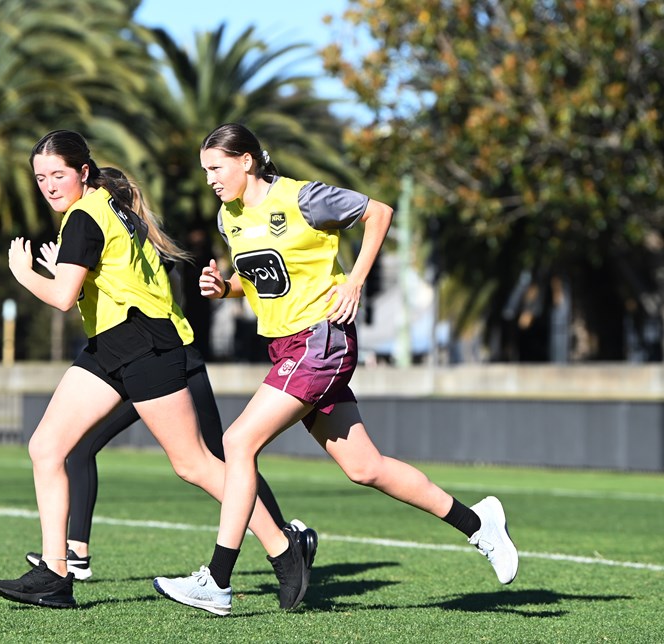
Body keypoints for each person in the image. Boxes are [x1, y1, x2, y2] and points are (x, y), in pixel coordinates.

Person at [153, 123, 519, 616]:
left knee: (238, 443)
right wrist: (227, 288)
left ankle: (216, 580)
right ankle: (479, 524)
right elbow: (262, 277)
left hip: (320, 340)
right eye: (206, 172)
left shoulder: (304, 199)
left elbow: (379, 213)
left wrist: (356, 284)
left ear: (246, 161)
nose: (210, 180)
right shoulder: (228, 218)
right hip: (287, 348)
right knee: (366, 468)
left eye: (216, 168)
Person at [0, 129, 317, 611]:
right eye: (41, 178)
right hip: (111, 344)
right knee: (47, 447)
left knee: (194, 464)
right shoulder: (105, 203)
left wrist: (25, 274)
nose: (49, 185)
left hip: (143, 343)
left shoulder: (85, 215)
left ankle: (284, 548)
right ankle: (56, 574)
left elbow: (62, 297)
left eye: (58, 174)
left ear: (82, 172)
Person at [23, 241, 316, 584]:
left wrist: (68, 272)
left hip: (173, 363)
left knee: (216, 460)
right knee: (80, 448)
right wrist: (71, 269)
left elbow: (121, 294)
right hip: (134, 363)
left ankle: (285, 537)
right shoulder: (117, 233)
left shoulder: (135, 241)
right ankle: (77, 553)